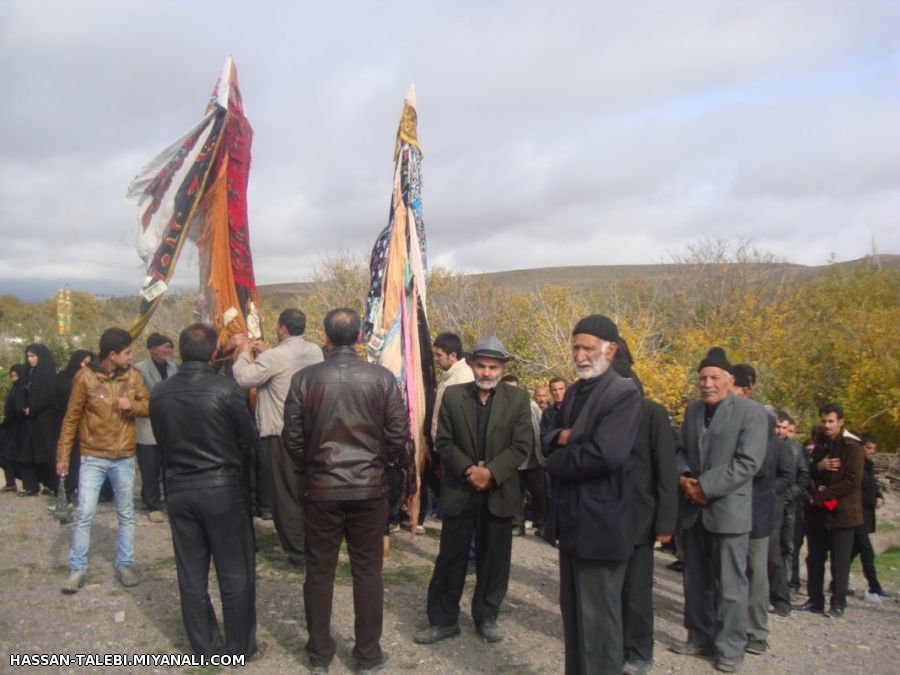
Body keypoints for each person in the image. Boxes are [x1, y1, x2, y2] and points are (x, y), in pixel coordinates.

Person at [283, 308, 407, 673]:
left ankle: (320, 655)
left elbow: (291, 438)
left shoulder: (304, 380)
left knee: (320, 572)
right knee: (367, 572)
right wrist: (377, 464)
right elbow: (399, 435)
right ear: (357, 339)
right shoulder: (381, 378)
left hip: (322, 489)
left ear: (325, 337)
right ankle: (367, 655)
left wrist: (312, 467)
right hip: (368, 489)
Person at [150, 323, 262, 662]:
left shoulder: (160, 393)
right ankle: (240, 647)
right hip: (222, 488)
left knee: (191, 573)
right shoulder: (226, 390)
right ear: (214, 353)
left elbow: (162, 439)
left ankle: (204, 648)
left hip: (181, 488)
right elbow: (249, 438)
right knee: (235, 570)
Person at [542, 315, 642, 675]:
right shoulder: (573, 390)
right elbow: (547, 435)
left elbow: (606, 454)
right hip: (572, 524)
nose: (580, 355)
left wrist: (556, 458)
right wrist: (562, 439)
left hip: (601, 527)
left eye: (587, 347)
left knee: (599, 625)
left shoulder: (623, 393)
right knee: (574, 619)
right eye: (575, 347)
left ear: (610, 349)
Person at [416, 336, 531, 646]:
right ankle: (443, 620)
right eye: (481, 365)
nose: (487, 372)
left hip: (499, 491)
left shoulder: (517, 399)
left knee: (494, 559)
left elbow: (522, 445)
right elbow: (443, 441)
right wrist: (470, 470)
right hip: (460, 488)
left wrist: (491, 473)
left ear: (502, 368)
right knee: (451, 557)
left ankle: (486, 616)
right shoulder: (454, 396)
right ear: (471, 364)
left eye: (494, 367)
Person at [671, 347, 767, 674]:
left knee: (730, 585)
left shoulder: (752, 413)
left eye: (713, 377)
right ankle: (699, 637)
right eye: (702, 378)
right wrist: (683, 477)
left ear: (729, 380)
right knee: (695, 581)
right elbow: (681, 450)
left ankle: (730, 647)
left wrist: (705, 487)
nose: (706, 383)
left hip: (727, 511)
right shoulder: (693, 410)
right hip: (693, 511)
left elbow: (748, 462)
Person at [57, 328, 150, 593]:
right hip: (93, 456)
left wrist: (132, 406)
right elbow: (71, 418)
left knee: (126, 514)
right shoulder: (85, 378)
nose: (131, 357)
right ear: (113, 355)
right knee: (85, 513)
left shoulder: (134, 376)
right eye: (127, 352)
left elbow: (149, 405)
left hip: (123, 456)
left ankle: (125, 564)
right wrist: (63, 455)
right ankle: (77, 569)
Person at [232, 308, 323, 567]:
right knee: (306, 492)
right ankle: (313, 546)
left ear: (282, 327)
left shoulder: (274, 356)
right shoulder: (315, 351)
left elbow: (243, 378)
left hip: (279, 433)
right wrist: (266, 354)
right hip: (310, 433)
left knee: (284, 495)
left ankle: (297, 553)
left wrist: (243, 353)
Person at [613, 349, 678, 675]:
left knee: (636, 592)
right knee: (609, 590)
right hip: (605, 518)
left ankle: (639, 651)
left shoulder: (652, 412)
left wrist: (666, 522)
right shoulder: (600, 412)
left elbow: (667, 471)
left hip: (639, 518)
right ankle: (613, 645)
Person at [794, 403, 864, 618]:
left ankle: (838, 602)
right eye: (824, 421)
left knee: (840, 561)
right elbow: (807, 472)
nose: (827, 425)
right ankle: (815, 599)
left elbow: (852, 481)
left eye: (831, 421)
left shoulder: (852, 447)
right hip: (818, 513)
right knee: (814, 558)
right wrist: (819, 467)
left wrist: (823, 494)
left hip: (842, 513)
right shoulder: (820, 445)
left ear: (840, 421)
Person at [134, 333, 178, 522]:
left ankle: (172, 501)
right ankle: (152, 503)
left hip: (170, 424)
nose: (168, 351)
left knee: (170, 466)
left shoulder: (174, 367)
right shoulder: (139, 369)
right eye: (164, 347)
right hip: (148, 424)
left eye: (170, 347)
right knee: (150, 467)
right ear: (152, 349)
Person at [501, 375, 545, 538]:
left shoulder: (531, 406)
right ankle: (517, 524)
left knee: (538, 492)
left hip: (532, 460)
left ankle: (540, 524)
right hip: (512, 462)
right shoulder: (499, 407)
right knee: (514, 495)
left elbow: (540, 428)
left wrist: (541, 455)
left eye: (514, 387)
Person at [52, 350, 94, 503]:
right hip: (65, 423)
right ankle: (65, 493)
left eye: (89, 363)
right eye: (83, 362)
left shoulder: (92, 379)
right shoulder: (62, 378)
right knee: (65, 459)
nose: (84, 366)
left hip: (86, 427)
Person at [17, 343, 58, 495]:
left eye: (33, 356)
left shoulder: (48, 373)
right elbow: (21, 392)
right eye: (28, 356)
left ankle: (52, 484)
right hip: (28, 419)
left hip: (43, 418)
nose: (30, 360)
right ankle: (31, 485)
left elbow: (49, 396)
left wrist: (34, 409)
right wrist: (23, 407)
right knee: (27, 452)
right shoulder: (27, 372)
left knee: (46, 452)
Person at [775, 411, 808, 593]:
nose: (781, 431)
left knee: (788, 546)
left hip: (789, 507)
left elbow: (803, 477)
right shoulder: (767, 446)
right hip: (771, 504)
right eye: (778, 427)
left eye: (784, 428)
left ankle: (786, 584)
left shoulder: (796, 450)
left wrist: (788, 496)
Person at [851, 434, 887, 600]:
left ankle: (837, 581)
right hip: (858, 515)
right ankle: (874, 586)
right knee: (867, 552)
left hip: (867, 515)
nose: (871, 452)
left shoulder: (869, 466)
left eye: (874, 449)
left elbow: (872, 486)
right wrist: (873, 500)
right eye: (868, 448)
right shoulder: (857, 466)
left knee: (853, 551)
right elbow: (856, 491)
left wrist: (879, 497)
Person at [0, 365, 27, 492]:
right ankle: (11, 482)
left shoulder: (23, 389)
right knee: (4, 455)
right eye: (11, 376)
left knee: (8, 454)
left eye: (16, 376)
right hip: (10, 426)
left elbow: (18, 410)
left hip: (17, 427)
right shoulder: (14, 389)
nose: (13, 379)